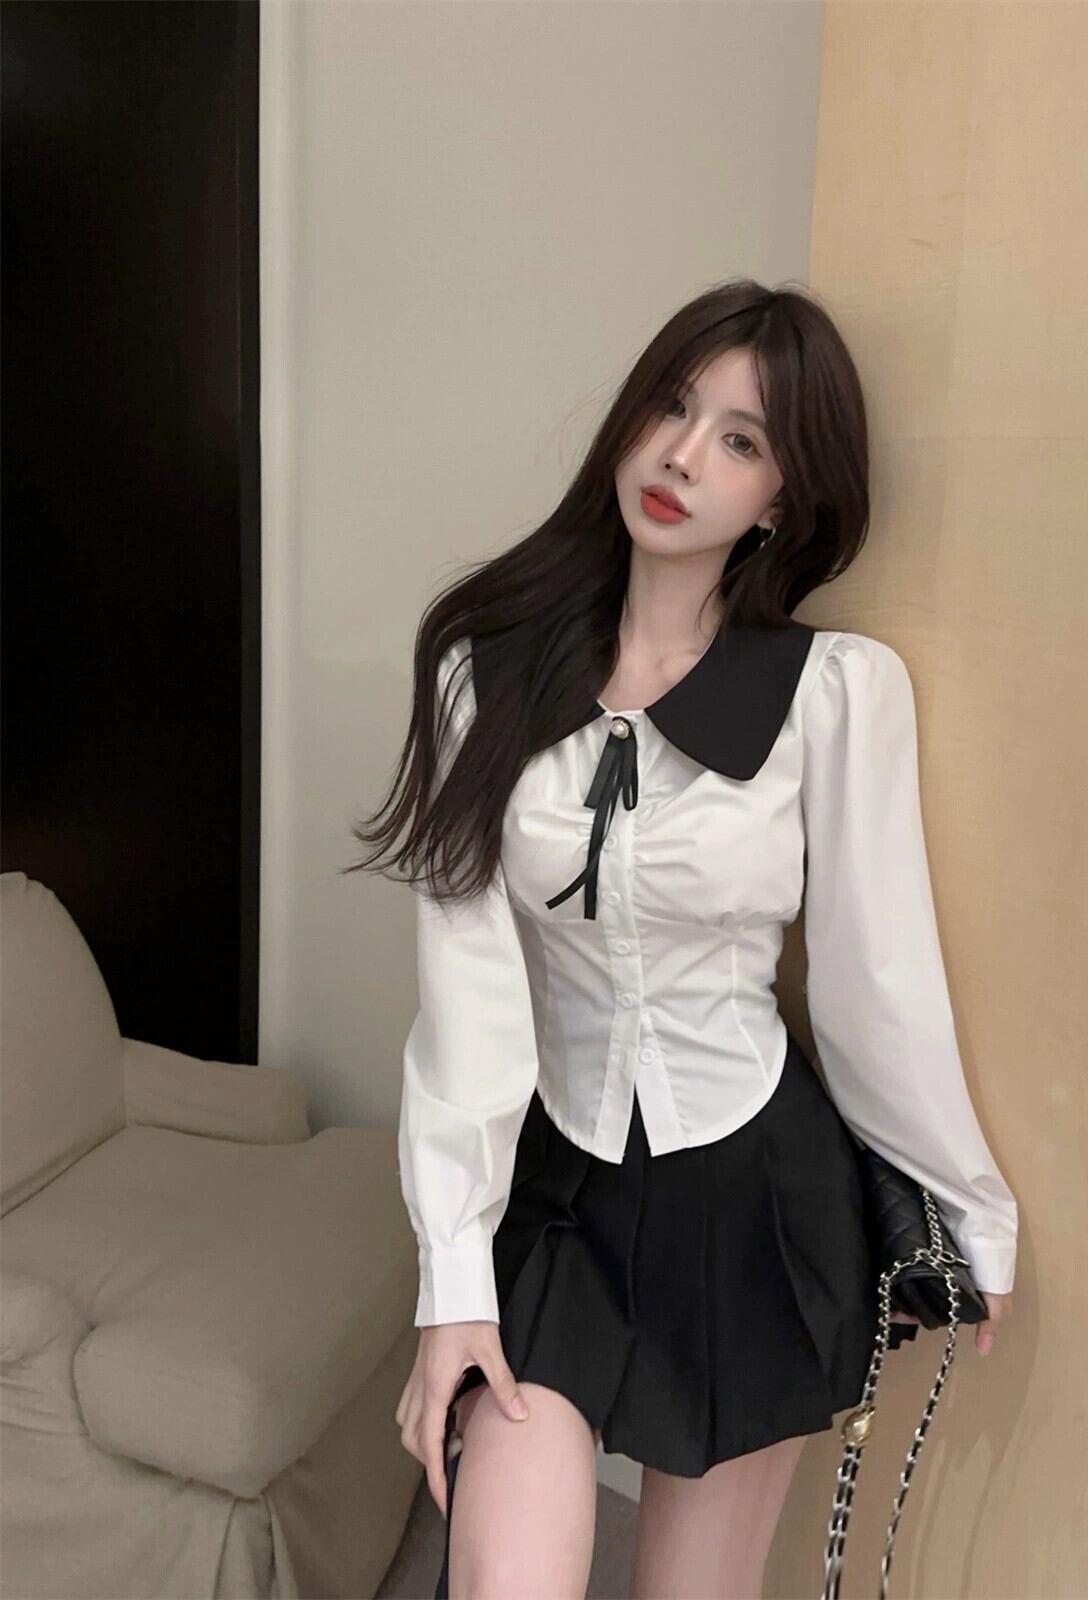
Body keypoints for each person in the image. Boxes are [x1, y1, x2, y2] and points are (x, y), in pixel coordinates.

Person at [346, 278, 1018, 1598]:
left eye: (740, 438)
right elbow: (468, 1011)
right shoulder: (482, 670)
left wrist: (969, 1215)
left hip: (755, 1197)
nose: (682, 456)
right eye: (671, 407)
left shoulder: (836, 694)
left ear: (780, 498)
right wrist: (452, 1286)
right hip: (560, 1192)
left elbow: (878, 986)